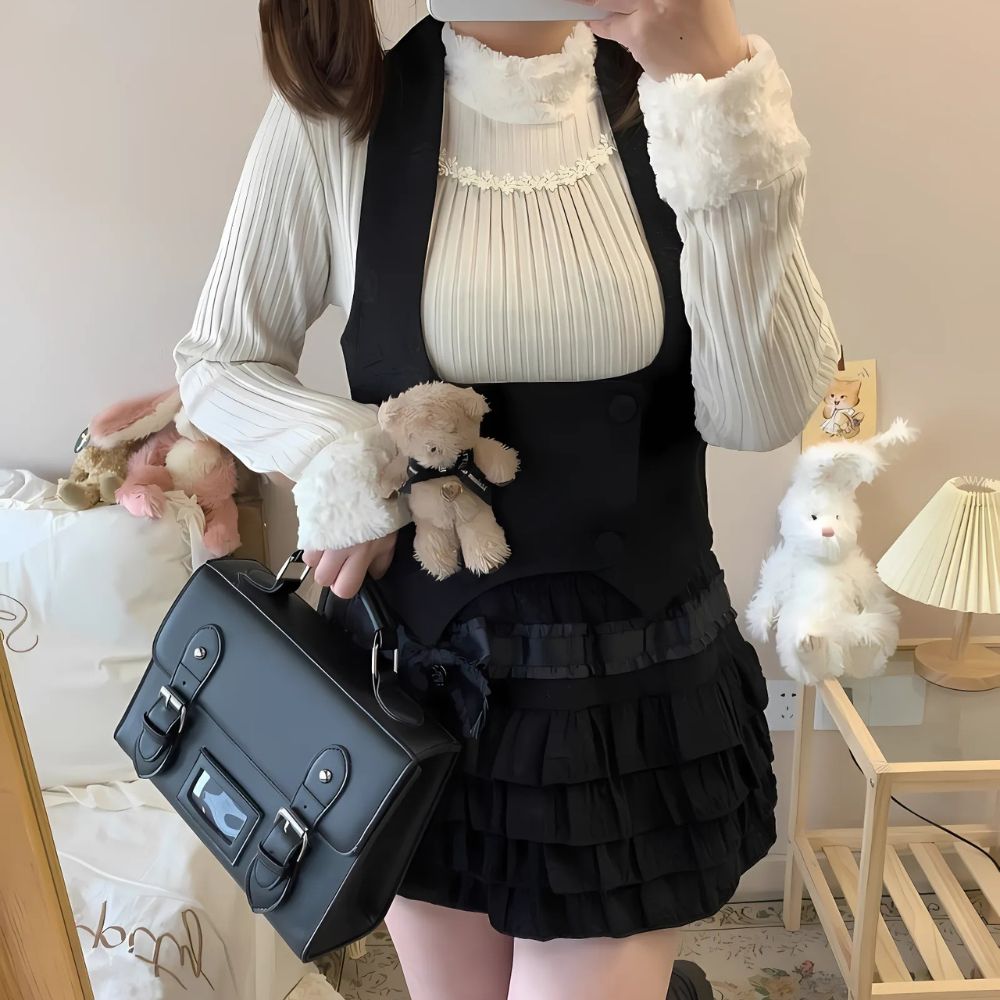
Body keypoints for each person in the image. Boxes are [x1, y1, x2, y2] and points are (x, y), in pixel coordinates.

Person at [174, 2, 841, 997]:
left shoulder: (675, 103)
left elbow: (759, 411)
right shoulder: (340, 119)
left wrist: (716, 91)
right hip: (420, 682)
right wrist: (346, 456)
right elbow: (219, 361)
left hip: (629, 685)